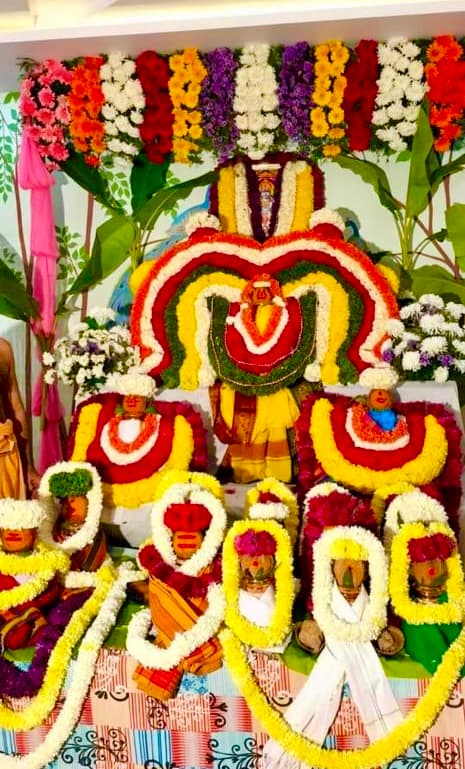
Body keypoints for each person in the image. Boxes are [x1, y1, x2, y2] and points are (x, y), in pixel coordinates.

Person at [0, 337, 39, 498]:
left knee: (11, 520)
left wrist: (28, 465)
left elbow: (16, 410)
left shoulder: (3, 349)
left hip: (5, 455)